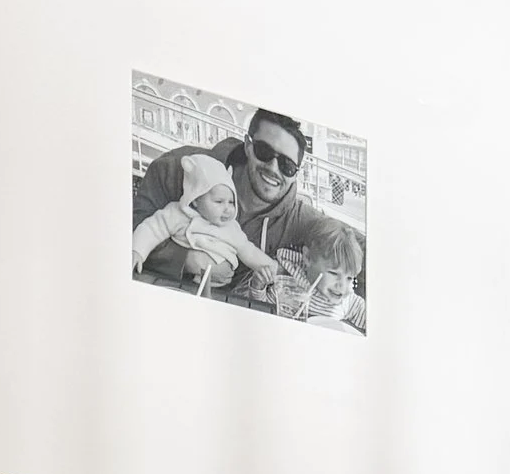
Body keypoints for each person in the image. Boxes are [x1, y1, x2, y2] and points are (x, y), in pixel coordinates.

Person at [130, 105, 360, 316]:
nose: (273, 168)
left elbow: (351, 243)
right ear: (248, 146)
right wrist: (186, 259)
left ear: (296, 174)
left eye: (287, 166)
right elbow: (132, 224)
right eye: (264, 151)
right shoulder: (181, 169)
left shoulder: (296, 217)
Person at [129, 152, 284, 300]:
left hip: (219, 290)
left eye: (231, 202)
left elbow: (248, 251)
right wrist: (137, 251)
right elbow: (152, 229)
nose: (227, 209)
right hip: (180, 280)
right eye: (219, 202)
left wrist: (272, 267)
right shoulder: (178, 213)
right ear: (195, 199)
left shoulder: (231, 228)